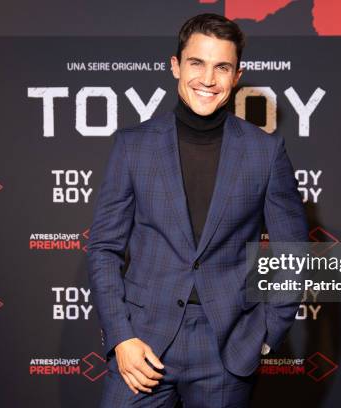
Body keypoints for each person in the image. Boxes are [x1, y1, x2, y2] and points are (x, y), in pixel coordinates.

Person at [87, 13, 308, 407]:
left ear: (236, 76)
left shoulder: (265, 152)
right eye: (197, 63)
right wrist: (121, 336)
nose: (208, 79)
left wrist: (265, 334)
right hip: (143, 341)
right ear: (175, 66)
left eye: (221, 67)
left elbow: (294, 251)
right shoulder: (133, 146)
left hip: (226, 348)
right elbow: (104, 248)